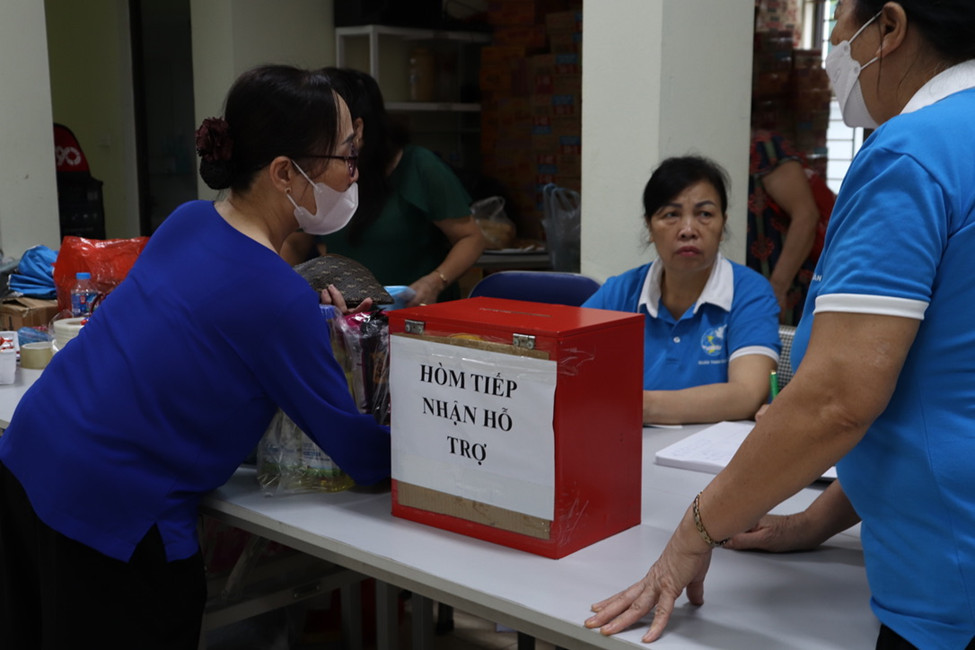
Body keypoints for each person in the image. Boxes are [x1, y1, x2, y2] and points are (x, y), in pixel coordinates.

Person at [585, 2, 975, 647]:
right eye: (669, 214)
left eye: (841, 25)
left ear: (890, 27)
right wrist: (812, 522)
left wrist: (691, 537)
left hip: (947, 575)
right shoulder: (622, 290)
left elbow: (836, 401)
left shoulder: (914, 153)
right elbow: (935, 387)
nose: (835, 49)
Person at [0, 64, 391, 649]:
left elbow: (201, 327)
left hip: (29, 460)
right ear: (284, 172)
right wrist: (439, 456)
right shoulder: (277, 298)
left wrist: (304, 325)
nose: (353, 173)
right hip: (110, 514)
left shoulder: (188, 220)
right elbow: (359, 454)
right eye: (346, 155)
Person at [582, 156, 780, 425]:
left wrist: (637, 405)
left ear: (723, 224)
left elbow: (747, 394)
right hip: (631, 441)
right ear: (649, 226)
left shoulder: (749, 291)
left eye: (705, 214)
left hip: (715, 448)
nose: (688, 230)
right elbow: (561, 359)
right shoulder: (622, 291)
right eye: (671, 215)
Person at [282, 67, 486, 306]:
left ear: (357, 129)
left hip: (414, 312)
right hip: (349, 315)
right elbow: (294, 243)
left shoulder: (419, 166)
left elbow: (471, 238)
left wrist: (435, 281)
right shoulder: (318, 174)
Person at [747, 129, 832, 325]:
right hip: (753, 287)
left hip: (784, 286)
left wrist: (777, 287)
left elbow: (806, 216)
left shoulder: (764, 148)